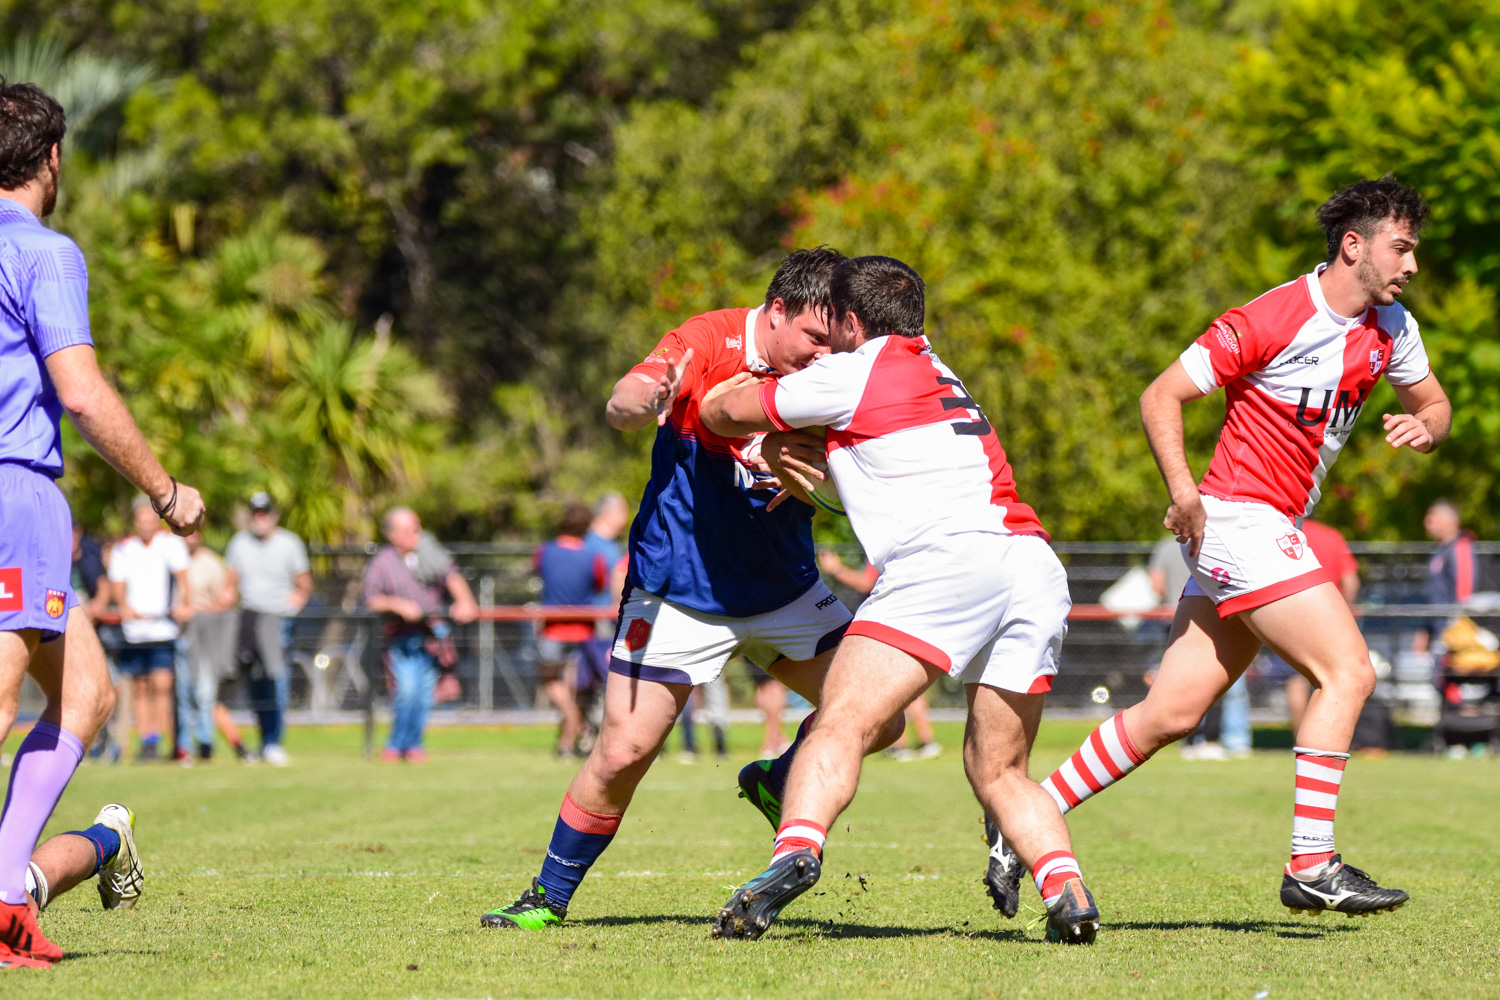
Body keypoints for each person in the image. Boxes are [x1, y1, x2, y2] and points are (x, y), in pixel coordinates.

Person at [1014, 178, 1449, 918]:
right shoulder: (1274, 316)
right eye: (1400, 248)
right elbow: (1161, 396)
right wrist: (1184, 492)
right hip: (1240, 520)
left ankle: (1020, 816)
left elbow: (1432, 401)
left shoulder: (1394, 327)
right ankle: (1312, 862)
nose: (1411, 265)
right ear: (1354, 246)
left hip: (1267, 528)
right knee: (1348, 671)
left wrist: (1430, 426)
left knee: (1170, 715)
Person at [478, 247, 905, 931]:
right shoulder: (707, 340)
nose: (825, 355)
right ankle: (546, 899)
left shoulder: (837, 372)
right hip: (680, 591)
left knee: (883, 716)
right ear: (776, 311)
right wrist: (644, 396)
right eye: (814, 339)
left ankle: (777, 777)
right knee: (623, 750)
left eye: (837, 342)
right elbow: (625, 400)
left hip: (784, 588)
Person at [703, 255, 1097, 944]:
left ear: (851, 321)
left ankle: (796, 849)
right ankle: (1065, 886)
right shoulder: (937, 367)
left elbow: (725, 411)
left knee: (840, 724)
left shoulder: (849, 371)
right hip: (1030, 564)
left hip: (943, 564)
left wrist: (745, 409)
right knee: (999, 769)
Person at [0, 78, 203, 967]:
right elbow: (79, 392)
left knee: (86, 694)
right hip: (15, 488)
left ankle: (8, 899)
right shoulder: (43, 252)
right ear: (52, 158)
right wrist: (164, 491)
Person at [363, 508, 479, 762]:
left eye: (417, 527)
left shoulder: (429, 552)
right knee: (406, 690)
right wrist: (398, 605)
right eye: (408, 530)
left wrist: (465, 602)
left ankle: (414, 744)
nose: (416, 534)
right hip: (400, 639)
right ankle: (395, 744)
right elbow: (371, 600)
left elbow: (453, 577)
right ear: (393, 535)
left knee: (424, 695)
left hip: (431, 639)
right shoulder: (383, 561)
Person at [818, 550, 941, 760]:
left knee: (889, 684)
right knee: (908, 683)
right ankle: (924, 741)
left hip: (893, 621)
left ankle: (901, 744)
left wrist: (836, 569)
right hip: (909, 619)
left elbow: (866, 582)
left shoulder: (886, 546)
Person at [225, 492, 312, 766]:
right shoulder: (239, 543)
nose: (260, 518)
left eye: (264, 512)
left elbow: (304, 582)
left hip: (277, 619)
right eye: (255, 512)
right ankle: (264, 739)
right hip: (248, 618)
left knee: (277, 680)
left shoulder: (289, 543)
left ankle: (274, 741)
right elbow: (230, 582)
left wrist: (296, 600)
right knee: (254, 681)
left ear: (273, 515)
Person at [1258, 520, 1360, 736]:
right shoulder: (1331, 535)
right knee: (1335, 679)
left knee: (1296, 680)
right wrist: (1346, 612)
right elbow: (1350, 580)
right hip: (1330, 617)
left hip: (1291, 613)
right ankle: (1327, 740)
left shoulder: (1276, 531)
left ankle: (1301, 740)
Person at [107, 497, 190, 762]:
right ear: (135, 521)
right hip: (135, 631)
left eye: (150, 519)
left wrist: (182, 605)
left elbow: (183, 582)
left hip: (163, 629)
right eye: (141, 519)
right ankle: (147, 741)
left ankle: (167, 739)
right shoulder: (124, 549)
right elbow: (117, 586)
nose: (146, 524)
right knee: (141, 686)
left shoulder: (171, 544)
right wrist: (124, 606)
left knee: (162, 685)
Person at [534, 503, 608, 757]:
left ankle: (568, 737)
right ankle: (572, 733)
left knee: (551, 682)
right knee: (572, 690)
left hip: (553, 629)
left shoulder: (545, 551)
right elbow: (600, 586)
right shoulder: (592, 556)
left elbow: (540, 574)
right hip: (584, 630)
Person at [178, 531, 246, 761]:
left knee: (205, 693)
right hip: (176, 633)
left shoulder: (212, 563)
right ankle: (183, 747)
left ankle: (207, 745)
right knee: (183, 693)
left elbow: (227, 599)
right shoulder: (171, 556)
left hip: (206, 635)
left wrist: (196, 612)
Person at [1416, 500, 1479, 652]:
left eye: (1433, 517)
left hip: (1456, 635)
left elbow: (1465, 594)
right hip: (1440, 632)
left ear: (1451, 521)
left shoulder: (1461, 547)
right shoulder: (1439, 551)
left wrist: (1454, 631)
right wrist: (1426, 631)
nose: (1427, 522)